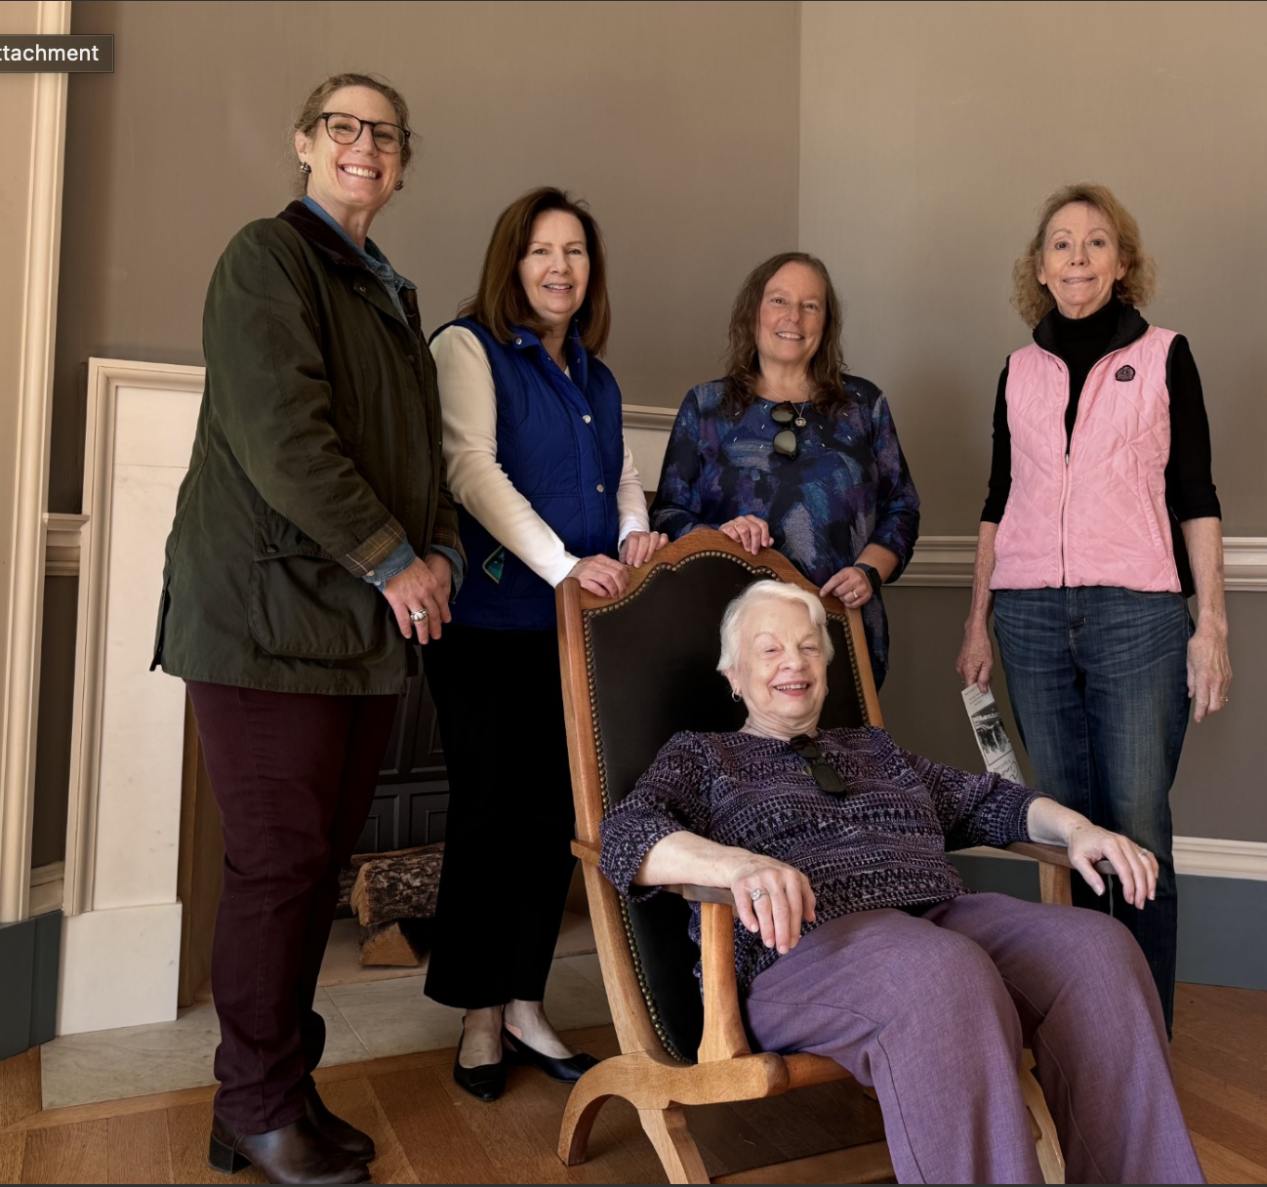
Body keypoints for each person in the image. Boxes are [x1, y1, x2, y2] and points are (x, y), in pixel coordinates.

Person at [599, 581, 1205, 1185]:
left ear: (827, 670)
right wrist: (735, 866)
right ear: (733, 673)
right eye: (769, 649)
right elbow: (626, 834)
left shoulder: (874, 750)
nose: (794, 663)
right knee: (937, 971)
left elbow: (989, 801)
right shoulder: (704, 757)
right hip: (802, 952)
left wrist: (1077, 830)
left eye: (810, 648)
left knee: (1099, 951)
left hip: (940, 921)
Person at [155, 74, 459, 1184]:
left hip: (357, 630)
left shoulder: (388, 290)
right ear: (303, 143)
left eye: (384, 132)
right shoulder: (264, 258)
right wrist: (394, 559)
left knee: (316, 866)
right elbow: (285, 437)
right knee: (278, 867)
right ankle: (254, 1100)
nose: (363, 145)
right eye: (343, 126)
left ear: (400, 159)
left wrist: (440, 557)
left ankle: (271, 1094)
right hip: (264, 617)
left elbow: (420, 458)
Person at [955, 182, 1232, 1031]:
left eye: (1096, 243)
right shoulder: (1018, 371)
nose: (1078, 257)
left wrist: (1210, 622)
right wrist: (976, 621)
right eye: (1061, 244)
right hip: (1029, 617)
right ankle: (1082, 1023)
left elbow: (1195, 493)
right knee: (1064, 824)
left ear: (1123, 263)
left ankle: (1141, 1031)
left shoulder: (1163, 355)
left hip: (1137, 617)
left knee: (1138, 820)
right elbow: (999, 499)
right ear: (1038, 268)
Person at [424, 188, 667, 1103]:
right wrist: (564, 563)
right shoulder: (466, 346)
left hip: (573, 637)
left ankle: (525, 1005)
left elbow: (625, 479)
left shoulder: (594, 376)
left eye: (573, 252)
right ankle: (476, 1017)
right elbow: (468, 468)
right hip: (489, 627)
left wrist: (635, 532)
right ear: (510, 263)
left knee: (547, 826)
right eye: (539, 251)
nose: (558, 267)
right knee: (488, 819)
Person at [650, 253, 920, 686]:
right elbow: (667, 514)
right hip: (738, 642)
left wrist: (868, 571)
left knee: (842, 755)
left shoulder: (864, 406)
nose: (793, 317)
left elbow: (901, 509)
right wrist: (722, 536)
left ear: (825, 322)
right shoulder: (706, 408)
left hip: (843, 633)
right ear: (752, 311)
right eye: (779, 300)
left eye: (810, 305)